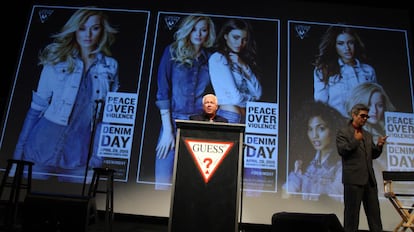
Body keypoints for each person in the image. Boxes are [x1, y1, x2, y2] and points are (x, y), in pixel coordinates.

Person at [12, 8, 119, 182]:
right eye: (82, 28)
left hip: (79, 155)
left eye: (95, 28)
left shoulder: (111, 66)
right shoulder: (57, 60)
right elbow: (36, 109)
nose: (88, 34)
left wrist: (98, 157)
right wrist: (18, 155)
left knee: (75, 203)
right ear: (75, 29)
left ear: (102, 31)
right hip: (40, 147)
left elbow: (105, 119)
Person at [155, 15, 216, 189]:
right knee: (163, 181)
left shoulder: (211, 59)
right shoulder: (172, 51)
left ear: (208, 33)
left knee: (194, 184)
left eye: (203, 30)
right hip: (172, 123)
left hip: (199, 125)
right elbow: (162, 91)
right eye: (194, 29)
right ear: (188, 30)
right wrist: (167, 131)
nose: (198, 33)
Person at [336, 103, 388, 232]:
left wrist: (379, 146)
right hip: (353, 180)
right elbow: (342, 151)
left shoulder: (368, 134)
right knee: (351, 216)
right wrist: (355, 141)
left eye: (366, 117)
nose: (365, 119)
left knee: (375, 216)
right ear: (354, 115)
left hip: (369, 180)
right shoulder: (343, 132)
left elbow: (372, 155)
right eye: (362, 116)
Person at [283, 100, 345, 200]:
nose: (314, 135)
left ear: (333, 129)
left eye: (321, 128)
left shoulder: (341, 166)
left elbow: (332, 201)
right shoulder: (305, 164)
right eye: (310, 129)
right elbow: (285, 195)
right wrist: (295, 177)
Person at [313, 25, 377, 118]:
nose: (347, 48)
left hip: (364, 127)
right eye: (341, 43)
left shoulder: (368, 71)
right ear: (334, 45)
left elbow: (375, 102)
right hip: (337, 128)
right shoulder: (323, 70)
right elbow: (320, 107)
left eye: (350, 42)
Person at [208, 18, 262, 123]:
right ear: (225, 36)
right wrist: (252, 99)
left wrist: (243, 65)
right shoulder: (218, 58)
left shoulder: (239, 60)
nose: (240, 43)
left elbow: (258, 93)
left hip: (244, 118)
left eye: (244, 39)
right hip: (229, 116)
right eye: (236, 37)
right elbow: (235, 99)